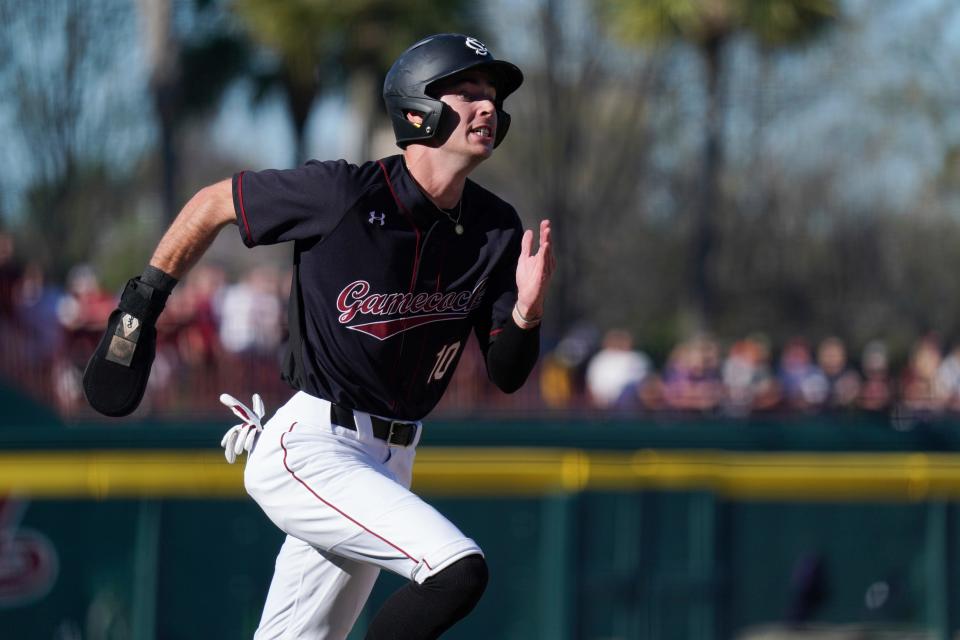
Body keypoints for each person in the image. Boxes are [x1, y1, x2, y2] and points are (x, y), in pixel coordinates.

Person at [82, 33, 554, 639]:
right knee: (457, 570)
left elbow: (508, 374)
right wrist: (143, 303)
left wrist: (529, 313)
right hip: (313, 447)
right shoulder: (344, 194)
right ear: (418, 108)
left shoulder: (495, 229)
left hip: (391, 461)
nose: (488, 107)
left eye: (492, 96)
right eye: (467, 92)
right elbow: (210, 204)